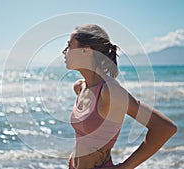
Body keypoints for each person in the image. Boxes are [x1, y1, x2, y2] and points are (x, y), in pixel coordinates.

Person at [62, 24, 177, 169]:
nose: (64, 52)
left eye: (69, 46)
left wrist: (125, 167)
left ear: (86, 51)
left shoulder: (110, 92)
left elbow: (164, 127)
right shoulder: (80, 87)